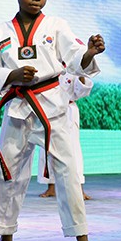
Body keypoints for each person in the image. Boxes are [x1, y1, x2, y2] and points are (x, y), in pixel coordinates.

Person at [0, 0, 105, 241]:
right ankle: (5, 237)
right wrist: (14, 74)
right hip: (18, 108)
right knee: (8, 175)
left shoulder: (57, 26)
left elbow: (75, 59)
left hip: (53, 109)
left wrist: (89, 54)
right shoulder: (0, 32)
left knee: (69, 175)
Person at [38, 72, 92, 200]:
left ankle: (79, 187)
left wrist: (81, 72)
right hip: (47, 108)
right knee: (46, 147)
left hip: (68, 110)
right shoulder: (47, 61)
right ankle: (51, 186)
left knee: (73, 149)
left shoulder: (74, 64)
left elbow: (82, 91)